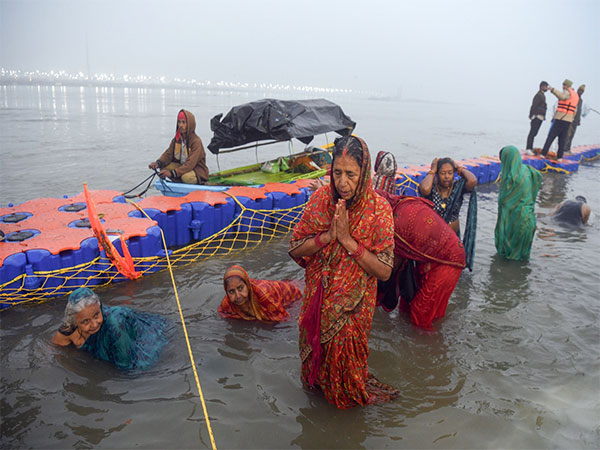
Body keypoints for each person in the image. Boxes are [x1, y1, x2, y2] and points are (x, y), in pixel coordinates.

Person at [289, 136, 399, 409]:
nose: (343, 183)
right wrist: (327, 237)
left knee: (347, 390)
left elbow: (385, 271)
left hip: (352, 311)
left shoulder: (379, 210)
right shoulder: (319, 201)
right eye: (337, 173)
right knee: (313, 383)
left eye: (351, 174)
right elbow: (294, 249)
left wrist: (348, 241)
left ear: (363, 174)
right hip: (317, 305)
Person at [375, 191, 466, 328]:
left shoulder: (397, 223)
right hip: (428, 257)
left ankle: (427, 345)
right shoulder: (399, 205)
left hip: (448, 261)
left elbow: (390, 267)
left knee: (421, 313)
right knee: (407, 306)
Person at [52, 287, 171, 370]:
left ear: (100, 308)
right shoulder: (68, 329)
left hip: (143, 329)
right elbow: (57, 351)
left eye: (96, 315)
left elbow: (126, 366)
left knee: (141, 367)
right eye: (85, 321)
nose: (94, 324)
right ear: (74, 321)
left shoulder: (116, 326)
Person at [495, 145, 542, 261]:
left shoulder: (510, 180)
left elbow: (504, 204)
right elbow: (538, 179)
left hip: (515, 224)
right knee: (523, 259)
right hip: (529, 220)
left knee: (508, 260)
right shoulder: (529, 171)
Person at [218, 265, 302, 323]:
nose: (238, 295)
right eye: (232, 291)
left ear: (247, 285)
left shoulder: (264, 295)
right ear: (227, 292)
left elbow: (284, 319)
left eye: (240, 288)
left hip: (292, 294)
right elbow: (223, 314)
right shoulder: (227, 304)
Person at [418, 157, 478, 235]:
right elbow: (424, 189)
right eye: (442, 173)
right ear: (437, 174)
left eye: (450, 173)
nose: (447, 176)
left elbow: (472, 181)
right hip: (434, 237)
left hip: (453, 239)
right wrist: (432, 170)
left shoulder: (457, 188)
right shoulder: (432, 189)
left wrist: (458, 168)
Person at [148, 109, 209, 184]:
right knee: (163, 168)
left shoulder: (196, 142)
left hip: (196, 171)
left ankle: (189, 185)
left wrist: (173, 173)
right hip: (183, 168)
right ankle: (179, 183)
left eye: (184, 122)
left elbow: (190, 164)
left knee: (186, 177)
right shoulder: (176, 140)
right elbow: (168, 154)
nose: (181, 125)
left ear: (190, 124)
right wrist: (158, 163)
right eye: (179, 122)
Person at [540, 79, 580, 160]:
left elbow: (562, 97)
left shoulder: (567, 92)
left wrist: (553, 90)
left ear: (566, 85)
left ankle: (543, 154)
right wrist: (571, 119)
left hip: (560, 118)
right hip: (568, 120)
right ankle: (560, 157)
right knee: (562, 139)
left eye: (563, 85)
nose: (562, 87)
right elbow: (575, 110)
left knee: (551, 136)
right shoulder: (576, 96)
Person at [526, 81, 549, 152]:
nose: (547, 88)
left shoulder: (542, 95)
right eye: (546, 87)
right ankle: (528, 148)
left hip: (540, 117)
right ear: (542, 87)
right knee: (532, 133)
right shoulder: (538, 95)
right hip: (536, 116)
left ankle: (530, 147)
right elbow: (534, 105)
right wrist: (531, 115)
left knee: (535, 133)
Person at [565, 84, 586, 152]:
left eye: (582, 91)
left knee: (572, 135)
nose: (580, 92)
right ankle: (564, 149)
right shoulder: (574, 97)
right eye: (580, 90)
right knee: (567, 134)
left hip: (576, 120)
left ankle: (568, 148)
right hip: (571, 119)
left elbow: (579, 111)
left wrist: (579, 120)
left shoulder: (581, 100)